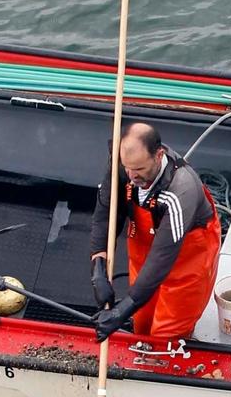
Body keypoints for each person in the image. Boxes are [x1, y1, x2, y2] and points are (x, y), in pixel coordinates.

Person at [89, 122, 222, 344]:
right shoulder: (122, 164)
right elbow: (105, 214)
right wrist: (98, 268)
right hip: (143, 253)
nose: (132, 176)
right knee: (141, 324)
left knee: (165, 336)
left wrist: (121, 311)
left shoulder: (181, 190)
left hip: (185, 261)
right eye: (128, 168)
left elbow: (162, 258)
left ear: (159, 155)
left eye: (140, 170)